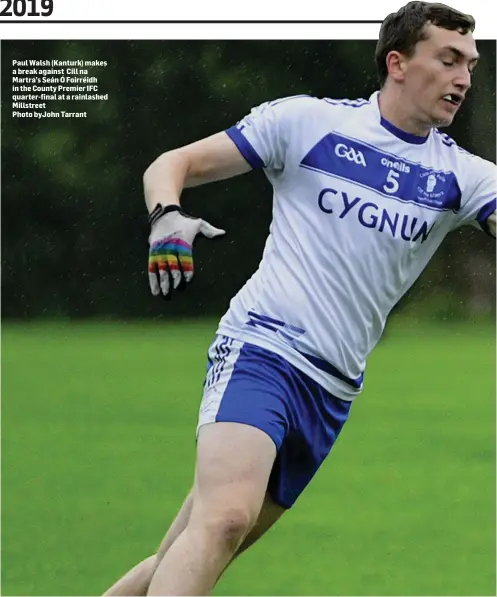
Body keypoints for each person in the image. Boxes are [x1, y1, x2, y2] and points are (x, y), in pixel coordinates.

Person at [103, 2, 496, 595]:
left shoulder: (464, 177)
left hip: (333, 390)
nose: (463, 77)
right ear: (397, 63)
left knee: (188, 553)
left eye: (469, 62)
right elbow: (173, 164)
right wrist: (167, 216)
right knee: (226, 520)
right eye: (447, 59)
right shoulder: (307, 123)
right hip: (263, 348)